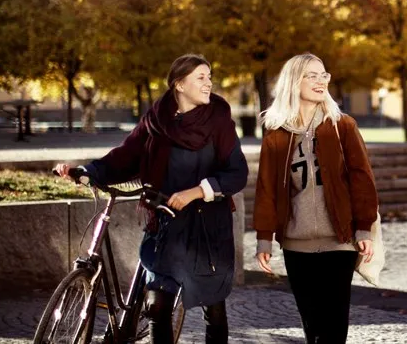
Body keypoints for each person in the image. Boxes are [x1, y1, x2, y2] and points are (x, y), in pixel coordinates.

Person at [55, 54, 248, 344]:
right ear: (179, 85)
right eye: (201, 78)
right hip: (166, 225)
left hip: (207, 229)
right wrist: (88, 171)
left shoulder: (219, 120)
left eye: (210, 77)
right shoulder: (157, 120)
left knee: (214, 309)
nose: (209, 83)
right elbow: (127, 155)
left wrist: (196, 192)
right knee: (157, 307)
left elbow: (237, 173)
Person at [253, 53, 379, 344]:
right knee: (312, 327)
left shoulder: (342, 126)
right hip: (296, 244)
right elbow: (267, 188)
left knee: (333, 327)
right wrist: (264, 237)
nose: (320, 81)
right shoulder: (276, 133)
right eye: (312, 75)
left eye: (323, 75)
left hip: (340, 239)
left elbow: (362, 179)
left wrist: (364, 227)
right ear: (293, 81)